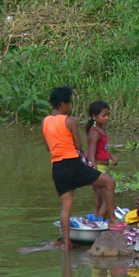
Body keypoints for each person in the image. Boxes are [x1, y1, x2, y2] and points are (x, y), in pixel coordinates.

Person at [42, 87, 121, 250]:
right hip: (73, 165)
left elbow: (48, 147)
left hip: (58, 169)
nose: (71, 106)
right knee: (110, 182)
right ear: (63, 104)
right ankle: (113, 220)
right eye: (70, 103)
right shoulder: (70, 121)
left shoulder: (45, 121)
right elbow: (78, 145)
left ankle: (67, 243)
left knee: (66, 208)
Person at [86, 100, 118, 220]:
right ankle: (101, 220)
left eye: (108, 115)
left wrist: (111, 156)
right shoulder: (95, 133)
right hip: (98, 168)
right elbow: (91, 154)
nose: (107, 118)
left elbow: (103, 149)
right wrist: (94, 172)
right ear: (94, 116)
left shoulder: (102, 131)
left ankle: (96, 217)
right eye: (103, 115)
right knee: (106, 199)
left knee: (99, 197)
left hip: (102, 168)